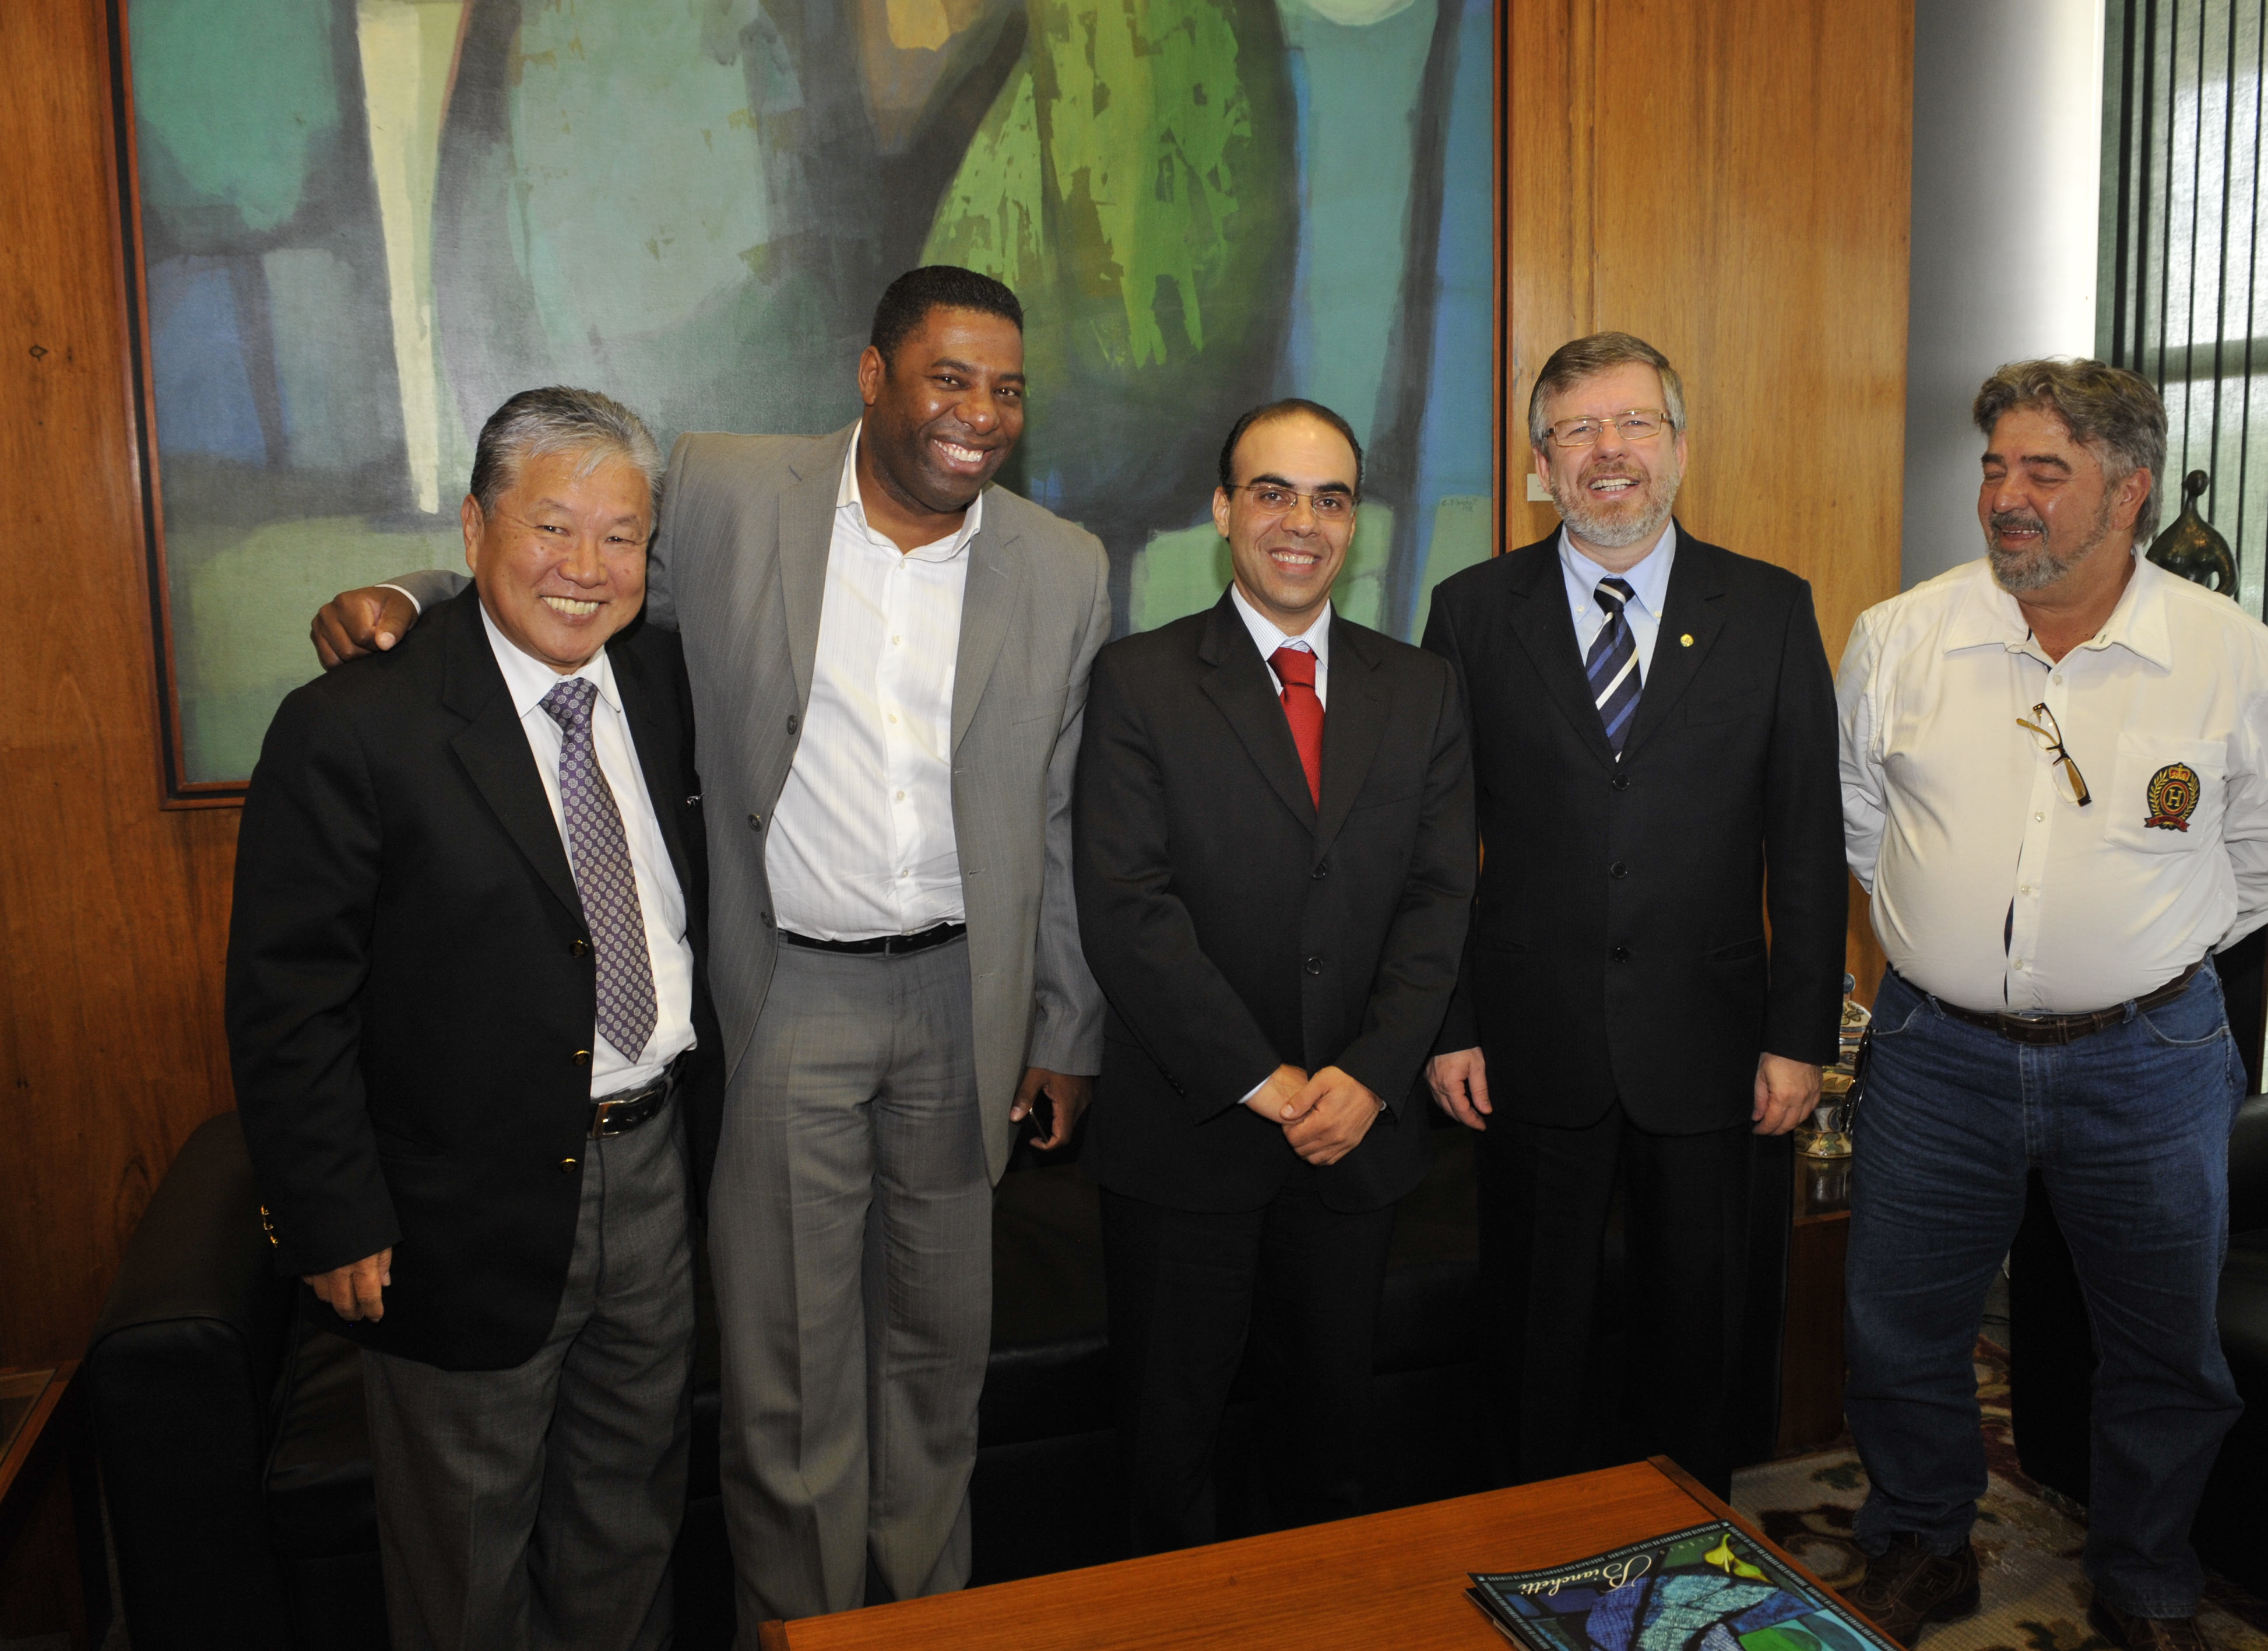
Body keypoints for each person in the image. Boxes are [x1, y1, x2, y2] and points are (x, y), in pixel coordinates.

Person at [309, 267, 1112, 1635]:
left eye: (1006, 388)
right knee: (789, 1377)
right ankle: (796, 1630)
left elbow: (1061, 809)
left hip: (964, 1003)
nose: (978, 414)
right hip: (789, 995)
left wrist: (1066, 1025)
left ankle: (922, 1624)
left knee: (937, 1365)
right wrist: (406, 589)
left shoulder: (1065, 564)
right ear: (872, 379)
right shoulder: (735, 493)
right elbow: (570, 571)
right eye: (949, 378)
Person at [1834, 360, 2268, 1651]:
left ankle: (2147, 1577)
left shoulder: (2232, 661)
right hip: (1936, 1056)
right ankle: (1922, 1538)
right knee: (1902, 1323)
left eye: (2043, 472)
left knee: (2165, 1349)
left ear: (2128, 490)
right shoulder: (1900, 637)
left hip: (2150, 1060)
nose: (2006, 497)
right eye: (1995, 466)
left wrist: (2146, 949)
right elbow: (1860, 824)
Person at [230, 388, 721, 1650]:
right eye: (553, 527)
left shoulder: (663, 681)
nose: (586, 568)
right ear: (472, 527)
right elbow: (291, 1001)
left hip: (658, 1172)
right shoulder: (355, 726)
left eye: (622, 537)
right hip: (457, 1210)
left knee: (629, 1527)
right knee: (465, 1565)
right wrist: (333, 1214)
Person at [1419, 333, 1847, 1497]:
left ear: (1679, 446)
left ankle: (1689, 1545)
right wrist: (1449, 1020)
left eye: (1633, 425)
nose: (1609, 453)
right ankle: (1522, 1549)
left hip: (1711, 1043)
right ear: (1541, 463)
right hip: (1528, 1036)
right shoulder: (1469, 612)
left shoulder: (1766, 610)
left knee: (1697, 1333)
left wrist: (1799, 1035)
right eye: (1577, 431)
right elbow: (1436, 844)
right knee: (1530, 1332)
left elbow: (1804, 839)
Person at [1073, 399, 1476, 1552]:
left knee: (1327, 1454)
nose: (1302, 522)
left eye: (1331, 497)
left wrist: (1368, 1074)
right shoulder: (1139, 681)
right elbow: (1127, 909)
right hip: (1193, 1133)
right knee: (1168, 1459)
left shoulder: (1421, 690)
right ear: (1222, 510)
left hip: (1355, 1140)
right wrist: (1264, 1079)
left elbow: (1439, 902)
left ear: (1355, 520)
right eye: (1274, 492)